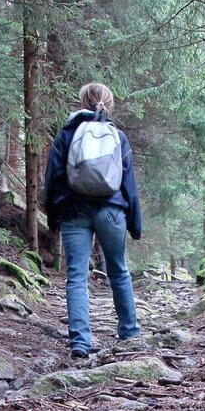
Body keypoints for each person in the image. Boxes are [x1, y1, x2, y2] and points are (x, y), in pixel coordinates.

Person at [43, 82, 143, 359]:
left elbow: (52, 179)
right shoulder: (117, 136)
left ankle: (80, 342)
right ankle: (130, 332)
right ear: (108, 104)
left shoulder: (67, 134)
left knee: (77, 276)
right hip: (112, 212)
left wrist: (53, 216)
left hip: (74, 212)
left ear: (81, 101)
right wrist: (134, 223)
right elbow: (128, 184)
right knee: (119, 271)